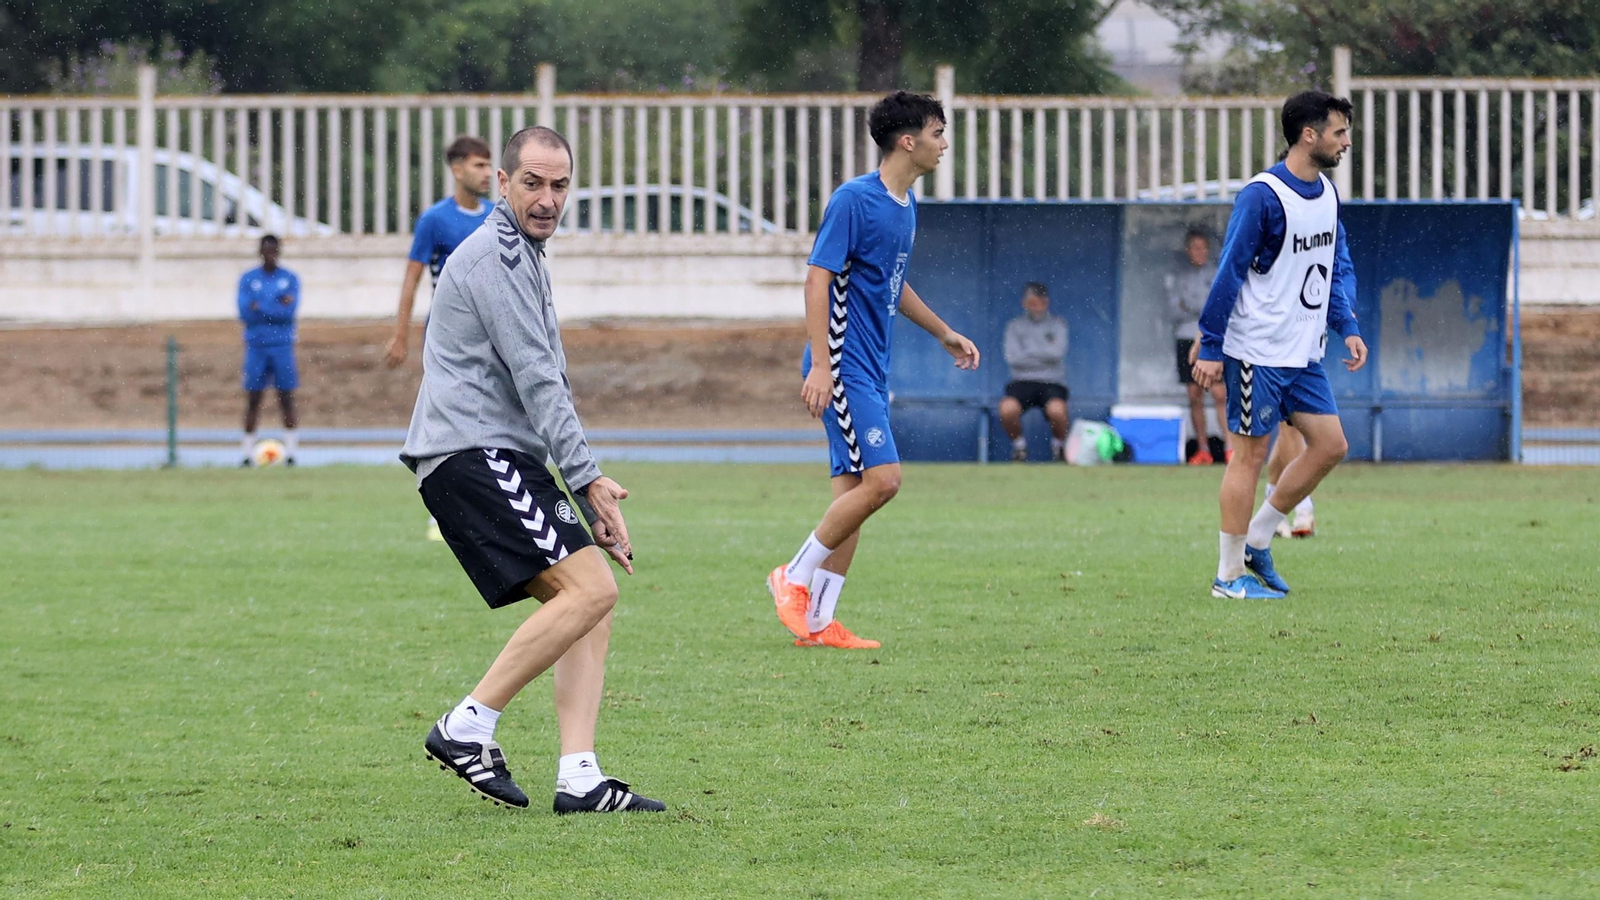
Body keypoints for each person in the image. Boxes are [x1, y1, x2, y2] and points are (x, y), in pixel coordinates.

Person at [400, 125, 664, 814]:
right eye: (533, 183)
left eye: (559, 185)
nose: (547, 199)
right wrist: (588, 479)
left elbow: (543, 381)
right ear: (502, 183)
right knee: (590, 591)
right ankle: (468, 726)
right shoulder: (497, 257)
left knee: (590, 605)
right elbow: (540, 379)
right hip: (472, 452)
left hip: (498, 454)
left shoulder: (524, 253)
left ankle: (579, 778)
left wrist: (583, 486)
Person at [766, 91, 980, 649]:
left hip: (870, 366)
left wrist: (942, 332)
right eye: (938, 132)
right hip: (842, 365)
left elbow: (891, 283)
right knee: (885, 481)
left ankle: (818, 623)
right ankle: (792, 577)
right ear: (907, 141)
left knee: (854, 496)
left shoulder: (905, 206)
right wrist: (821, 366)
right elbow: (817, 279)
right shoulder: (854, 200)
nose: (944, 144)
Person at [1192, 90, 1367, 600]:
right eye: (1339, 132)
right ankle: (1228, 577)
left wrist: (1346, 325)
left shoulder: (1328, 194)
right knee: (1248, 457)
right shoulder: (1262, 195)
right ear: (1308, 135)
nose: (1347, 142)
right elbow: (1230, 270)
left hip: (1303, 352)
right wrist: (1210, 345)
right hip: (1258, 352)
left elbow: (1333, 268)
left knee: (1331, 446)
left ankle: (1259, 538)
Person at [386, 135, 495, 541]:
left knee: (491, 419)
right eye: (479, 165)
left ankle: (491, 503)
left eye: (489, 165)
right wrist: (401, 335)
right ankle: (443, 507)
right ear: (457, 169)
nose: (487, 173)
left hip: (492, 336)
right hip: (447, 338)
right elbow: (411, 280)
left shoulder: (496, 217)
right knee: (449, 421)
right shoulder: (435, 220)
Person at [236, 235, 300, 466]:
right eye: (266, 251)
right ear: (260, 252)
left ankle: (291, 454)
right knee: (253, 398)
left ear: (279, 252)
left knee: (286, 397)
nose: (270, 255)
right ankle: (246, 454)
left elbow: (288, 312)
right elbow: (245, 312)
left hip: (282, 345)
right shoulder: (248, 278)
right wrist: (276, 304)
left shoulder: (289, 278)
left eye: (274, 251)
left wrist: (261, 306)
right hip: (256, 345)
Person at [1168, 228, 1227, 465]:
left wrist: (1193, 307)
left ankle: (1230, 447)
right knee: (1194, 394)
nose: (1199, 252)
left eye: (1203, 248)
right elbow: (1174, 310)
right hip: (1185, 336)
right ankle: (1203, 449)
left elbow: (1219, 306)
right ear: (1187, 250)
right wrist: (1202, 308)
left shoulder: (1217, 273)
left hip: (1213, 337)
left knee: (1219, 392)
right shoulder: (1178, 277)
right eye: (1195, 248)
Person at [999, 282, 1070, 462]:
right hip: (1021, 382)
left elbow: (1057, 353)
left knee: (1057, 411)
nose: (1037, 307)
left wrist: (1028, 352)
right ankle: (1019, 448)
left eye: (1041, 303)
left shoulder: (1058, 324)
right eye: (1032, 303)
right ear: (1024, 303)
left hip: (1052, 382)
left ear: (1047, 302)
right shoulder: (1014, 326)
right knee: (1007, 409)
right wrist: (1044, 353)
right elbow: (1013, 358)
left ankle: (1058, 448)